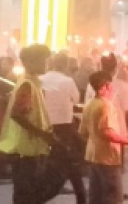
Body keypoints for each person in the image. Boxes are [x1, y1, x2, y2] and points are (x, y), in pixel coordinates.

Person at [0, 44, 67, 204]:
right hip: (26, 152)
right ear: (32, 62)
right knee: (28, 196)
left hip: (29, 150)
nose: (47, 64)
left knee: (27, 196)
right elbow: (17, 115)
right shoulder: (27, 85)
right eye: (44, 60)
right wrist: (44, 135)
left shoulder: (31, 83)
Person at [80, 70, 128, 204]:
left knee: (95, 197)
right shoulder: (106, 106)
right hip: (108, 158)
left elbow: (83, 132)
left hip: (93, 156)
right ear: (106, 86)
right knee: (112, 197)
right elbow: (107, 132)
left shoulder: (89, 105)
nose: (112, 88)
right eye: (110, 85)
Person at [40, 52, 85, 204]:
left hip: (45, 126)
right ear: (65, 65)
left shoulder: (41, 79)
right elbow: (76, 99)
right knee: (71, 163)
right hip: (65, 127)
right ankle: (81, 198)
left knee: (49, 161)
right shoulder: (67, 81)